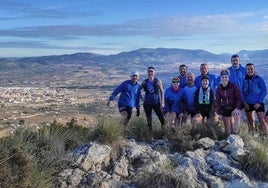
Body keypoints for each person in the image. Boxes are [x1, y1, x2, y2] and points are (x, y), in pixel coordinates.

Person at [242, 63, 268, 135]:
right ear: (246, 70)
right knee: (250, 120)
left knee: (261, 120)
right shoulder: (244, 80)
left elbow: (264, 91)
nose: (250, 70)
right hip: (247, 103)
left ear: (254, 69)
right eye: (248, 69)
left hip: (258, 103)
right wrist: (245, 102)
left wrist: (259, 102)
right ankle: (251, 135)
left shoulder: (259, 79)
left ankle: (266, 136)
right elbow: (242, 92)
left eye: (251, 69)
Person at [216, 69, 242, 136]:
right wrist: (219, 113)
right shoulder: (218, 89)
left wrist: (237, 108)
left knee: (237, 115)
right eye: (223, 77)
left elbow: (239, 98)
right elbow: (218, 102)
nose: (224, 79)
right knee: (228, 132)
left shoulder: (234, 86)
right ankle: (229, 137)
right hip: (225, 108)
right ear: (220, 78)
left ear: (228, 78)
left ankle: (235, 134)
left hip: (234, 107)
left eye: (226, 77)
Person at [140, 66, 165, 131]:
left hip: (156, 103)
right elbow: (138, 90)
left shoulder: (158, 81)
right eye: (149, 71)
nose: (150, 73)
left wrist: (162, 102)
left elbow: (162, 92)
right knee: (149, 119)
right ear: (147, 73)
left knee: (162, 118)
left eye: (152, 71)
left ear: (154, 73)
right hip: (147, 104)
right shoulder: (144, 82)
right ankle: (150, 133)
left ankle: (163, 132)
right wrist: (142, 99)